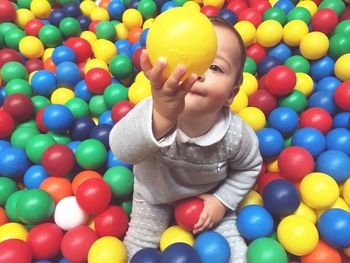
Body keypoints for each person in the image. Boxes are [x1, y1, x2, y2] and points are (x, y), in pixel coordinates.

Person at [109, 16, 262, 263]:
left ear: (231, 94)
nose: (196, 73)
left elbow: (250, 167)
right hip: (153, 196)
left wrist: (221, 201)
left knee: (232, 250)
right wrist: (161, 116)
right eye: (186, 59)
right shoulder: (151, 111)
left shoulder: (235, 135)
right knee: (137, 250)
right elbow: (121, 150)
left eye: (214, 67)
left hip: (207, 200)